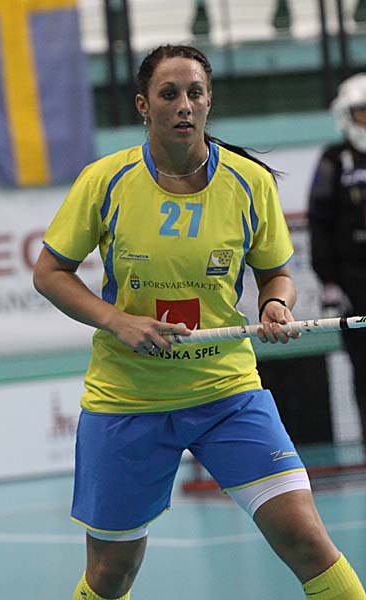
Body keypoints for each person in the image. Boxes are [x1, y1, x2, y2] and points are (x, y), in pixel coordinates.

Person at [33, 45, 366, 600]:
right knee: (110, 576)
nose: (184, 105)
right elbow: (49, 273)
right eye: (169, 94)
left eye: (195, 93)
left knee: (309, 543)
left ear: (209, 101)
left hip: (227, 393)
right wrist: (117, 321)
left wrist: (276, 304)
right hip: (128, 399)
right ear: (143, 105)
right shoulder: (105, 180)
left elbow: (277, 274)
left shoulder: (249, 182)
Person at [308, 73, 366, 446]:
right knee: (364, 370)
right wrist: (328, 280)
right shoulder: (334, 160)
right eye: (362, 112)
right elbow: (319, 221)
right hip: (354, 282)